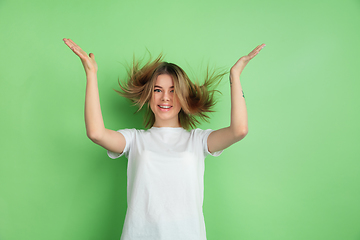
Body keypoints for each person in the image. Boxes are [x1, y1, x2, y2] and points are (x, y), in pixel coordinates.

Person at [63, 38, 265, 240]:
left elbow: (239, 130)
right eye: (158, 90)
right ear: (148, 95)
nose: (165, 98)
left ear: (184, 96)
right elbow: (96, 133)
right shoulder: (134, 140)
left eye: (173, 91)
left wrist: (235, 76)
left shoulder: (197, 141)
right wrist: (91, 75)